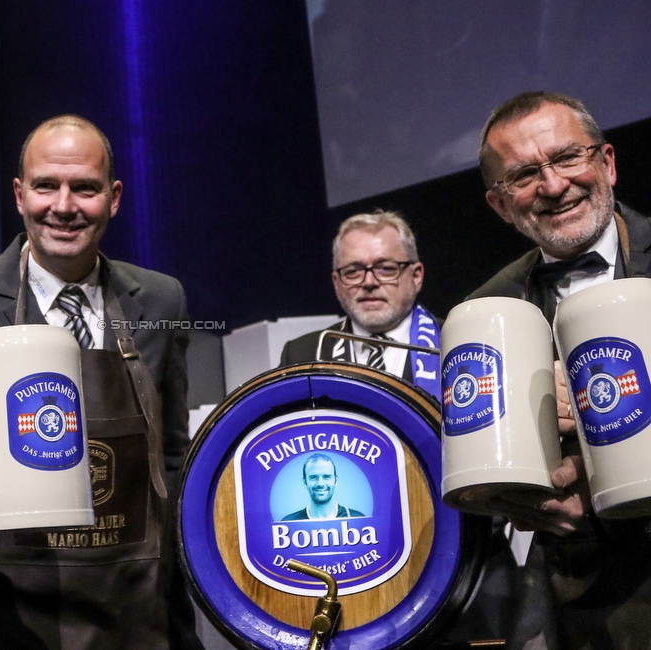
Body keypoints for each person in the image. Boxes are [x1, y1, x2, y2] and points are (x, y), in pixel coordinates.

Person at [0, 114, 201, 649]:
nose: (64, 206)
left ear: (114, 198)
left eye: (85, 188)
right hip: (1, 611)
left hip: (133, 613)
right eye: (46, 185)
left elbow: (171, 456)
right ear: (20, 194)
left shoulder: (163, 300)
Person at [469, 90, 651, 649]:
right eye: (524, 174)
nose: (553, 186)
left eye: (568, 157)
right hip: (581, 604)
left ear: (607, 162)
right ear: (500, 205)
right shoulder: (486, 311)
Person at [279, 210, 441, 400]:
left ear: (416, 276)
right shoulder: (302, 355)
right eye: (353, 271)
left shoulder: (454, 343)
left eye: (386, 269)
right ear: (337, 283)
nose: (369, 282)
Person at [282, 453, 363, 520]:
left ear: (336, 481)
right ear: (305, 482)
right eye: (313, 477)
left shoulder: (358, 519)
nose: (320, 483)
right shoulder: (289, 523)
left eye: (326, 477)